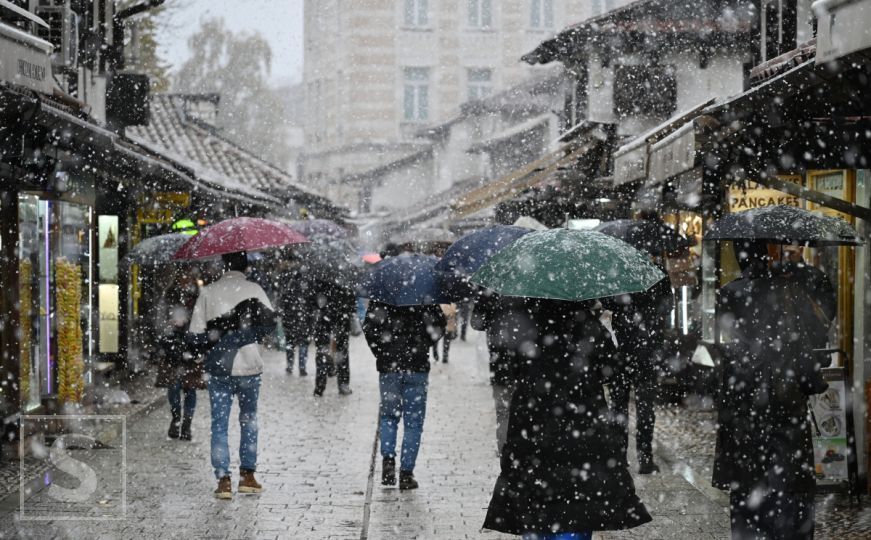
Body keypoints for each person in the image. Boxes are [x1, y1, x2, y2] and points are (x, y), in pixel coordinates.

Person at [483, 299, 652, 539]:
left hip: (533, 423)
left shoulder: (520, 323)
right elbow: (613, 369)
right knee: (579, 503)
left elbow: (503, 370)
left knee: (534, 500)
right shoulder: (586, 324)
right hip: (582, 423)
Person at [713, 241, 831, 539]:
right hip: (785, 403)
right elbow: (812, 347)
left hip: (744, 407)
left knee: (747, 487)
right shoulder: (789, 292)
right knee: (790, 488)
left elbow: (725, 346)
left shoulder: (729, 293)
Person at [188, 251, 275, 500]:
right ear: (246, 266)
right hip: (250, 366)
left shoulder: (208, 292)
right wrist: (244, 335)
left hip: (219, 368)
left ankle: (223, 480)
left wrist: (218, 337)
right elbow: (269, 324)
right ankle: (248, 476)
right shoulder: (255, 290)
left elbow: (195, 334)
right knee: (249, 420)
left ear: (223, 265)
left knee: (219, 425)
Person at [363, 300, 446, 490]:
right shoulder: (424, 292)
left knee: (388, 416)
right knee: (414, 421)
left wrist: (382, 352)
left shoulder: (383, 290)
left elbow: (369, 328)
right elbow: (439, 325)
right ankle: (407, 473)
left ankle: (388, 462)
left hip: (389, 368)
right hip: (416, 367)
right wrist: (424, 343)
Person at [606, 276, 673, 474]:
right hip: (646, 350)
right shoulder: (655, 275)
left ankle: (619, 457)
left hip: (621, 351)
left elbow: (609, 302)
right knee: (645, 407)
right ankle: (645, 458)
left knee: (619, 407)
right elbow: (668, 306)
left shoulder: (616, 273)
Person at [471, 291, 533, 456]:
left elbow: (477, 323)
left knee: (503, 410)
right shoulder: (531, 289)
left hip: (500, 362)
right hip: (526, 360)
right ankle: (523, 448)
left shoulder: (490, 289)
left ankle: (505, 450)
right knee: (526, 408)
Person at [154, 269, 205, 440]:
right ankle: (176, 419)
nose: (185, 278)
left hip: (191, 348)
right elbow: (159, 321)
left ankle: (187, 424)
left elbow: (205, 320)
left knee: (190, 389)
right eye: (182, 275)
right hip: (172, 349)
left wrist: (191, 324)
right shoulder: (170, 295)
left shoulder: (199, 295)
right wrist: (170, 324)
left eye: (188, 275)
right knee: (173, 388)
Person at [312, 279, 356, 396]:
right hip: (341, 323)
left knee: (322, 354)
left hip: (324, 325)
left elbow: (313, 302)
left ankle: (320, 386)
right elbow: (352, 306)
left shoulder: (319, 281)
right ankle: (343, 385)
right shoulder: (346, 282)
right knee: (341, 356)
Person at [279, 264, 315, 376]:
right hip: (303, 321)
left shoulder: (290, 286)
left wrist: (285, 319)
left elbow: (283, 304)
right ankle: (302, 367)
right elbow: (312, 306)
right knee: (303, 344)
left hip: (291, 321)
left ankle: (290, 366)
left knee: (291, 344)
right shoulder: (309, 286)